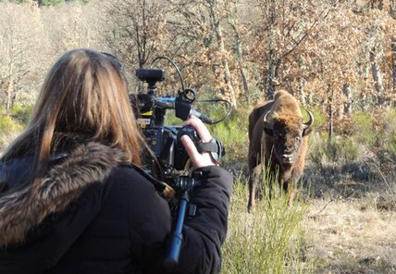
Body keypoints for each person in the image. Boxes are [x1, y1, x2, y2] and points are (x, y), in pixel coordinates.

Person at [0, 49, 233, 274]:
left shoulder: (6, 175)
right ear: (119, 109)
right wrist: (213, 182)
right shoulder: (127, 190)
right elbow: (198, 263)